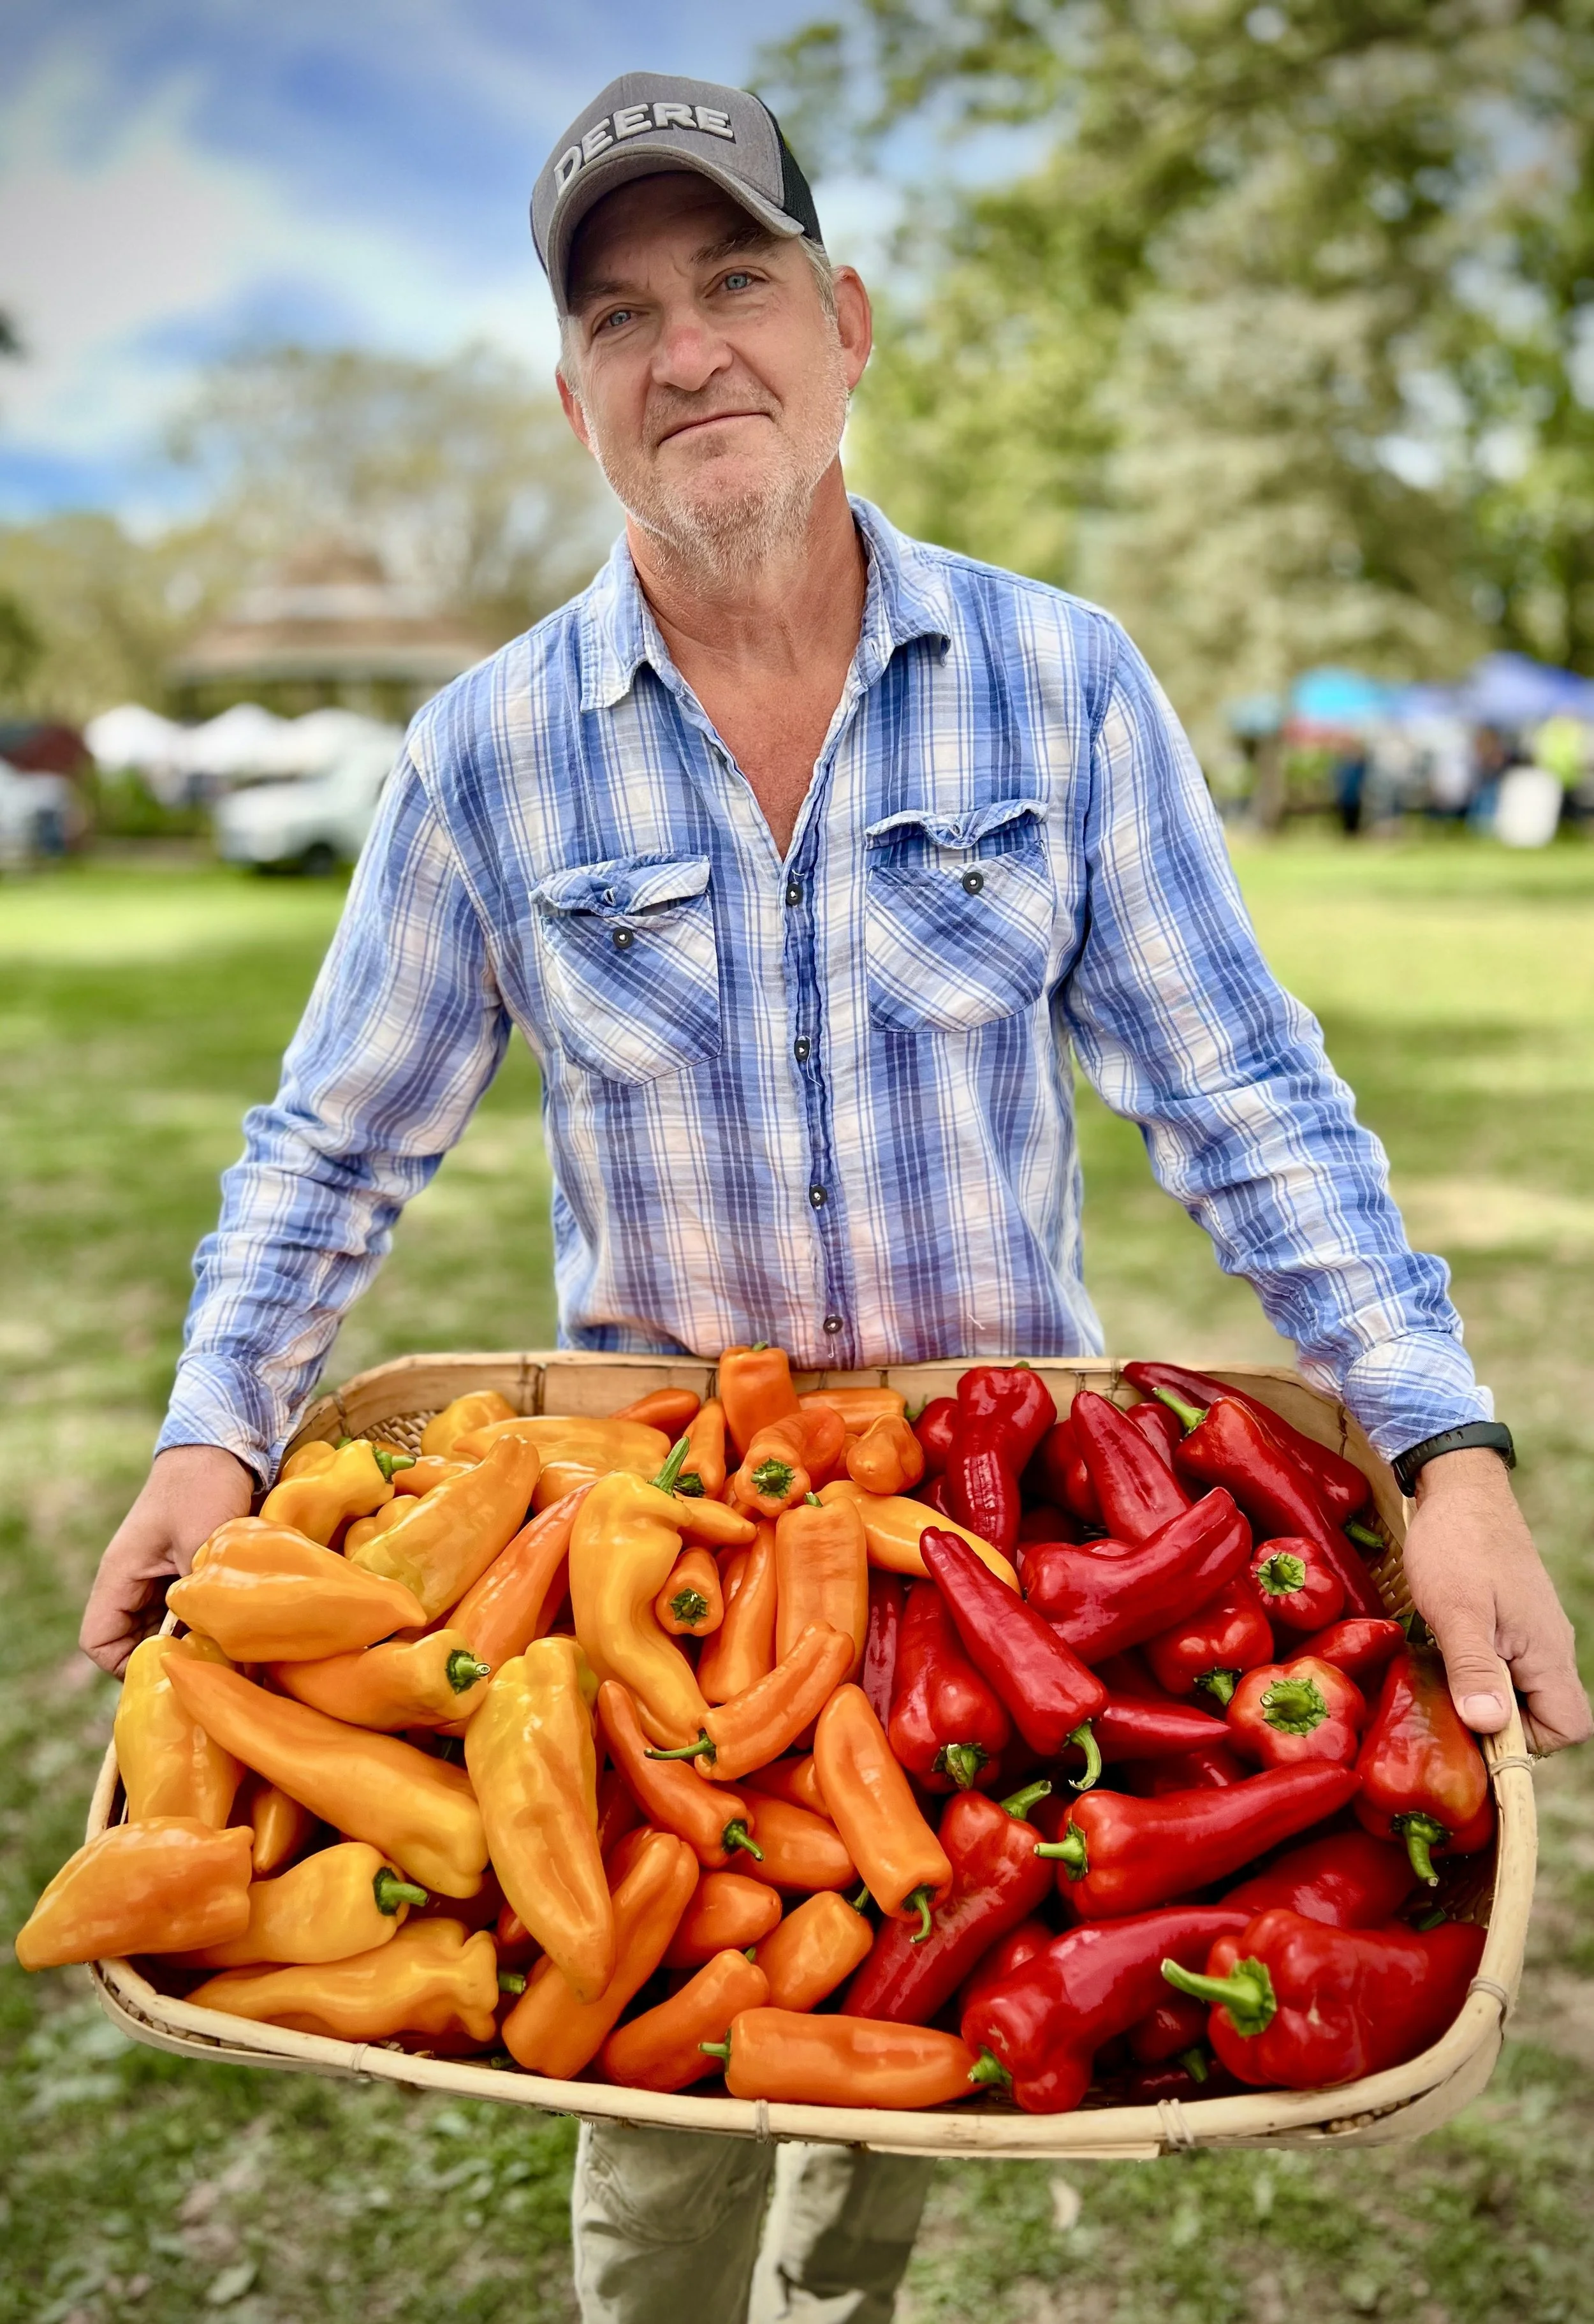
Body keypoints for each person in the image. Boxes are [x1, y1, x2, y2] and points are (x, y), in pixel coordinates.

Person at [81, 70, 1589, 2324]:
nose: (688, 348)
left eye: (736, 280)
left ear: (847, 317)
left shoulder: (1059, 686)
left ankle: (841, 2295)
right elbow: (332, 1137)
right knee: (650, 2077)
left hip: (990, 1564)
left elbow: (1247, 1094)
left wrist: (1441, 1441)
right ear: (572, 392)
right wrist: (217, 1420)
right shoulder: (487, 751)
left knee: (908, 2050)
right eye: (620, 314)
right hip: (660, 1568)